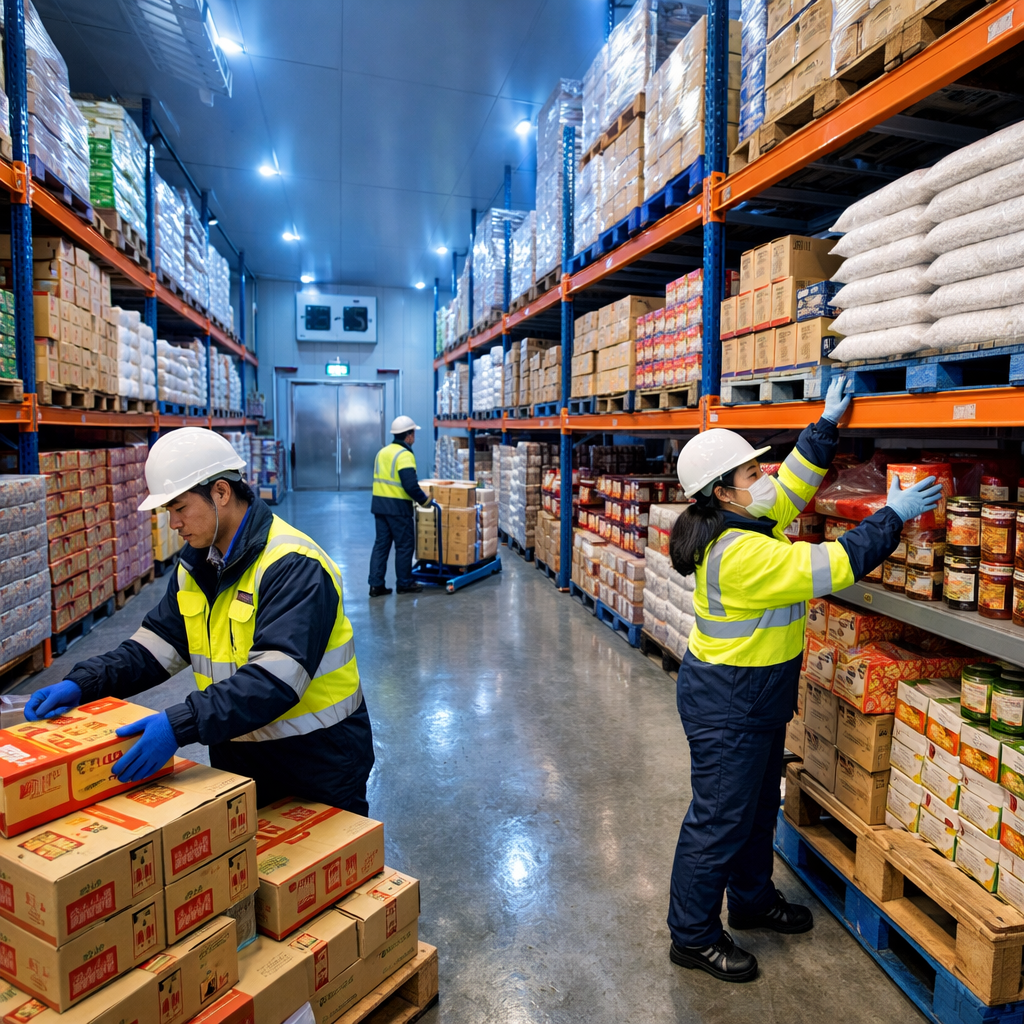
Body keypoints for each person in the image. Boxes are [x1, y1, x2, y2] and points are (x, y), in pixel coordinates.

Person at [666, 376, 944, 983]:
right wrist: (891, 515)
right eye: (749, 474)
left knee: (759, 805)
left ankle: (752, 899)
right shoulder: (739, 553)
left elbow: (789, 486)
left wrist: (824, 428)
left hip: (753, 694)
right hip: (728, 701)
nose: (763, 478)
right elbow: (834, 564)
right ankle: (691, 936)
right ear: (722, 493)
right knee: (719, 818)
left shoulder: (744, 518)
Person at [24, 427, 375, 814]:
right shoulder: (197, 566)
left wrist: (181, 723)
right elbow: (156, 647)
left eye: (179, 508)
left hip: (318, 761)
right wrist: (85, 681)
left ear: (221, 493)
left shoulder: (293, 564)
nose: (173, 523)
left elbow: (275, 680)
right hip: (239, 758)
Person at [369, 415, 433, 597]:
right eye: (413, 433)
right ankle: (404, 583)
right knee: (404, 545)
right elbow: (410, 485)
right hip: (397, 508)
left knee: (381, 546)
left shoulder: (383, 452)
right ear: (408, 435)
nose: (414, 437)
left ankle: (376, 585)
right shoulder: (404, 455)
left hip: (380, 506)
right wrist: (424, 501)